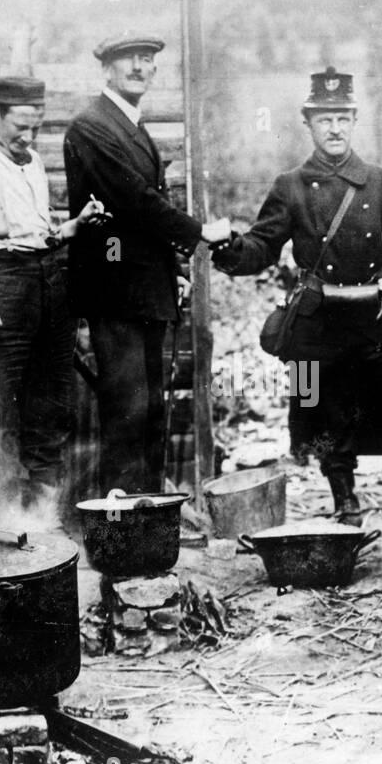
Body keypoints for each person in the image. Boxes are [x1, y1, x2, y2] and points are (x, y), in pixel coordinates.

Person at [211, 68, 382, 537]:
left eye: (342, 118)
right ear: (308, 124)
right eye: (324, 119)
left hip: (377, 320)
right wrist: (230, 250)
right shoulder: (290, 185)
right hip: (322, 324)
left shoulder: (378, 181)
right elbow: (262, 244)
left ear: (354, 123)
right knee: (327, 413)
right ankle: (346, 507)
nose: (334, 128)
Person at [0, 76, 107, 539]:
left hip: (50, 285)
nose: (28, 138)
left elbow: (40, 233)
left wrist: (74, 225)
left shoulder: (32, 163)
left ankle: (40, 530)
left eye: (35, 128)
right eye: (20, 127)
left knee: (49, 413)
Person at [63, 32, 231, 494]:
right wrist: (198, 232)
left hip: (145, 289)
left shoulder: (133, 126)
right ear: (107, 70)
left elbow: (145, 212)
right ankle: (120, 537)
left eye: (147, 60)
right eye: (128, 60)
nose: (139, 67)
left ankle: (149, 520)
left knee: (151, 410)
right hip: (115, 291)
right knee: (127, 410)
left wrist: (171, 271)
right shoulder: (91, 127)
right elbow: (134, 200)